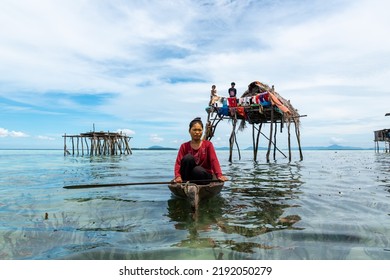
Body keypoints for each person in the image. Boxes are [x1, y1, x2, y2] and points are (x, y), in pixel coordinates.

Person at [174, 117, 228, 184]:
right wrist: (178, 176)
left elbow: (214, 160)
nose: (197, 132)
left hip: (204, 177)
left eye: (199, 130)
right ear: (189, 131)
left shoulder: (208, 145)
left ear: (202, 131)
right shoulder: (184, 146)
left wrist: (219, 175)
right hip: (188, 178)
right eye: (194, 130)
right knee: (188, 158)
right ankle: (186, 184)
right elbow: (178, 164)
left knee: (197, 170)